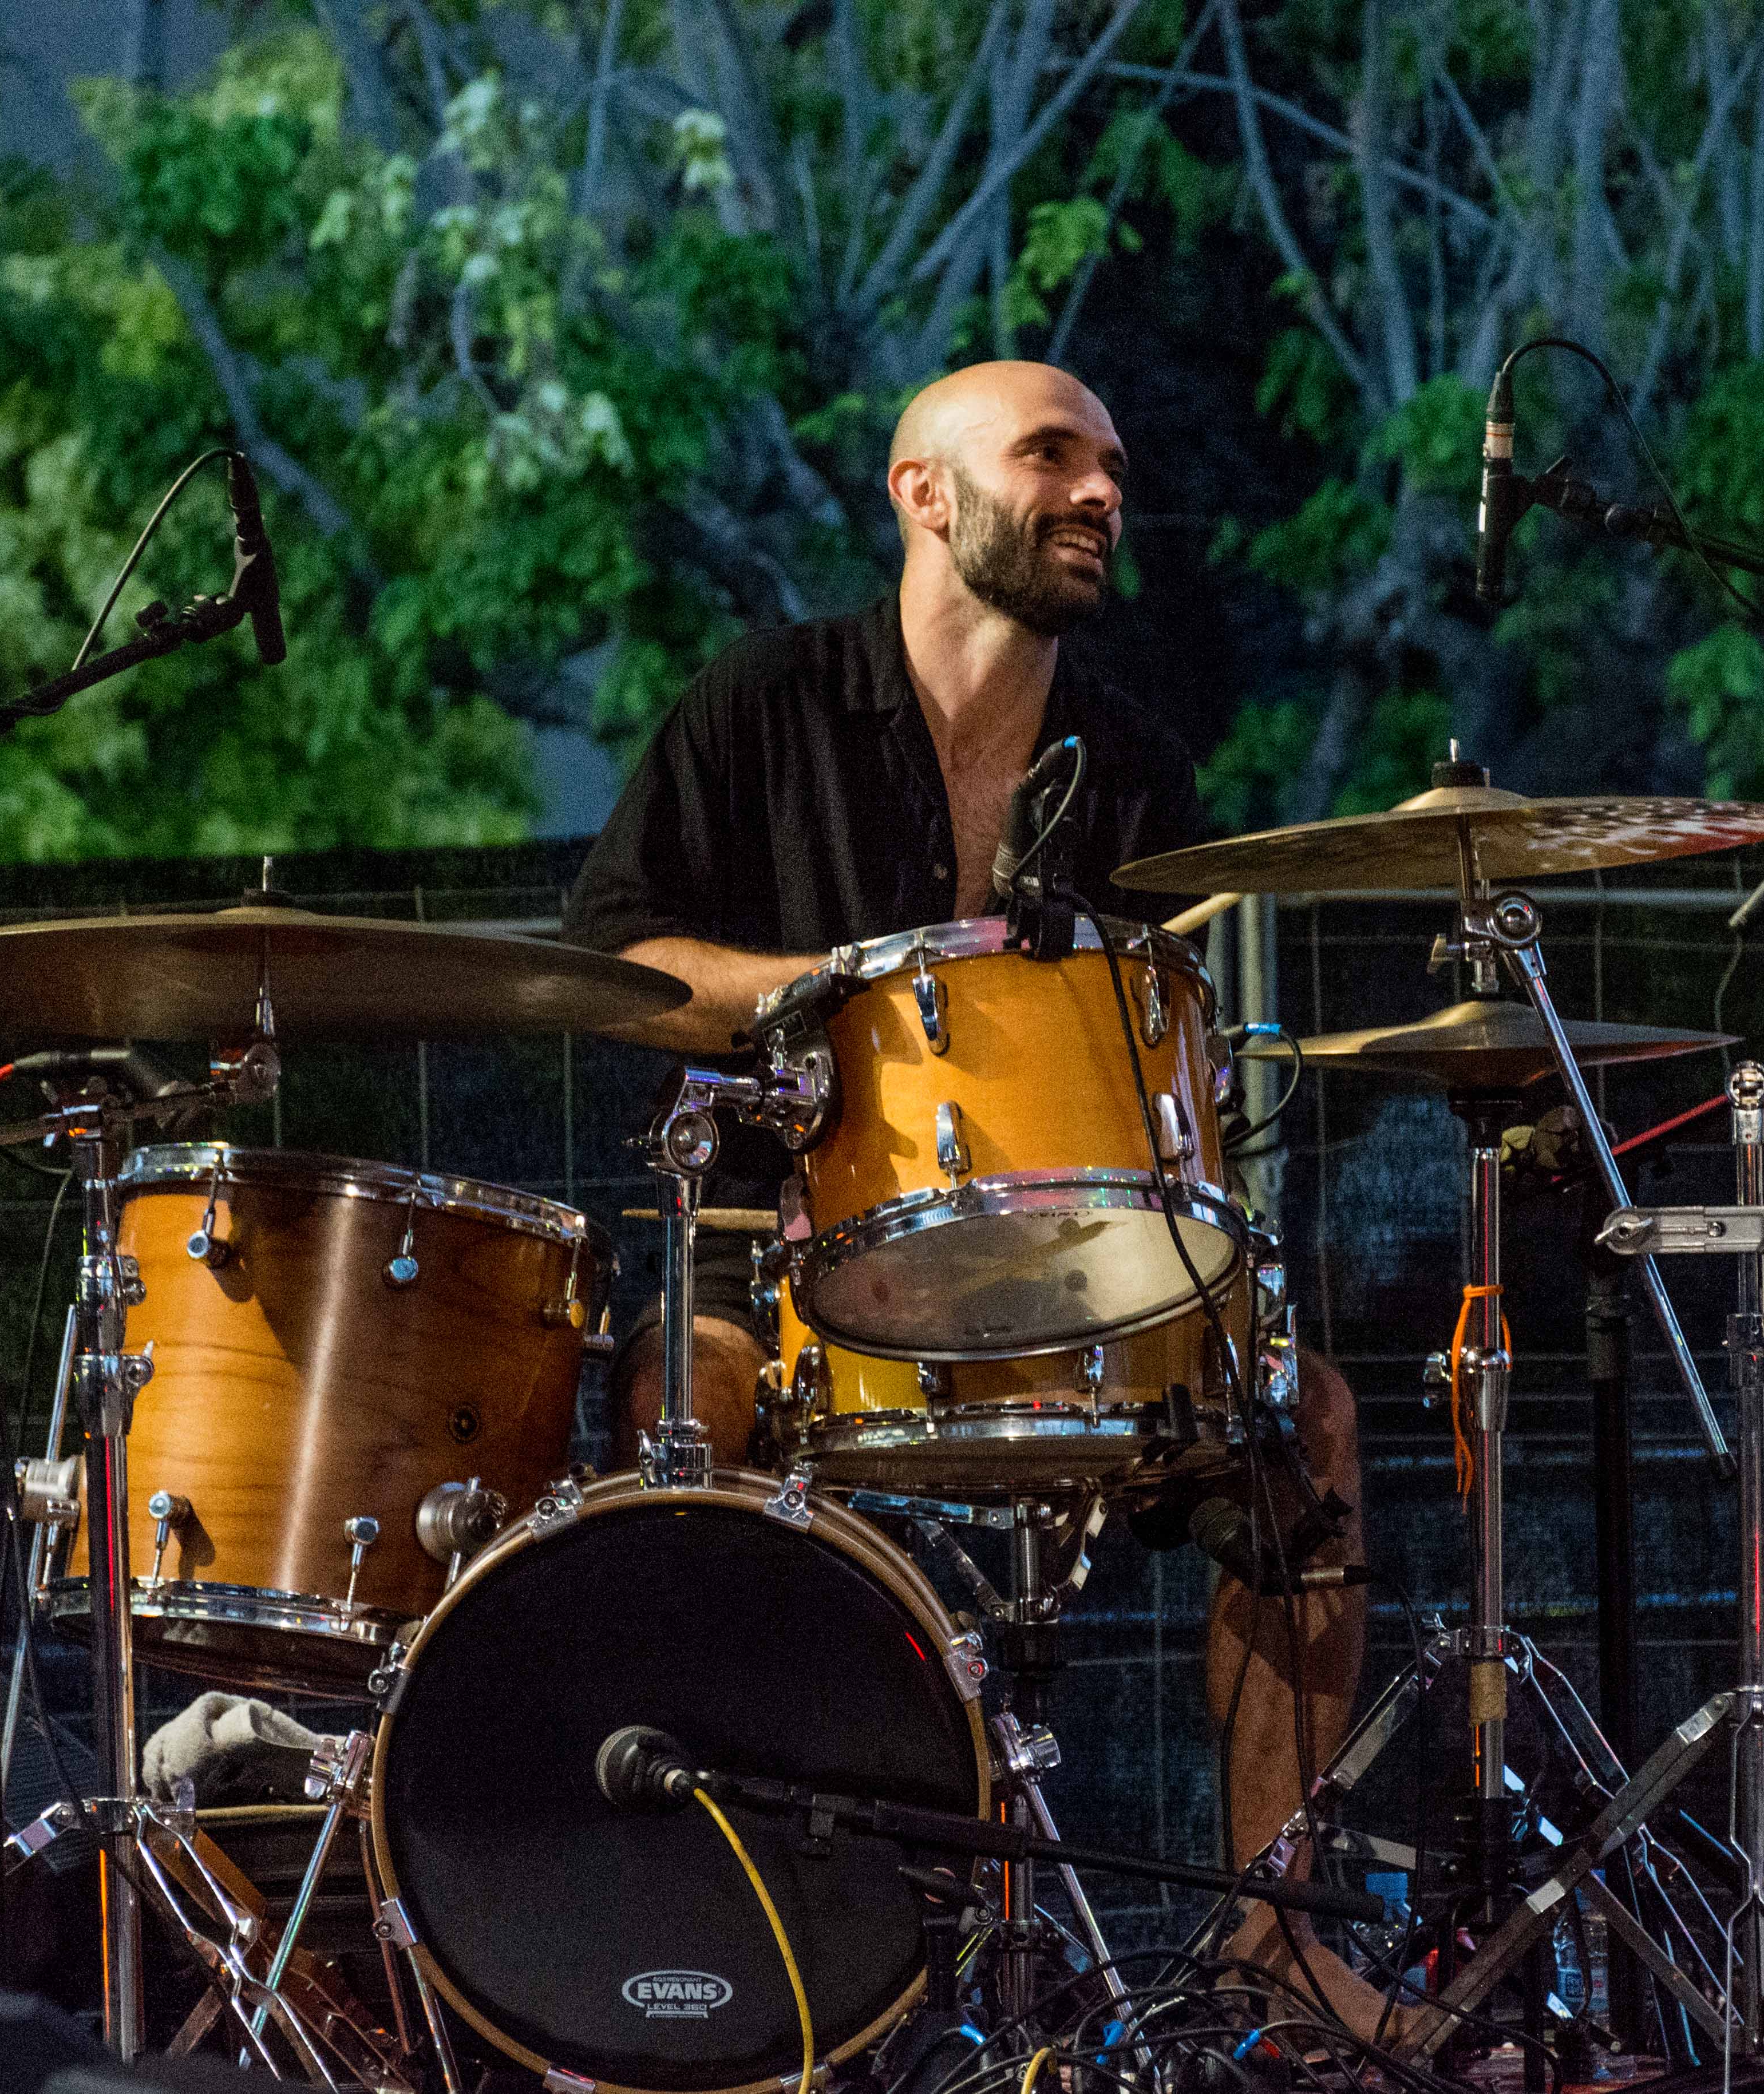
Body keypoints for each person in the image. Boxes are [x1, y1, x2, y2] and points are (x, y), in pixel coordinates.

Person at [561, 360, 1385, 2018]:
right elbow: (612, 960)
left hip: (1084, 1277)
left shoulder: (1131, 760)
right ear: (923, 494)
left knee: (1311, 1426)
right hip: (776, 1254)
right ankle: (699, 1949)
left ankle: (1278, 1948)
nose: (1098, 492)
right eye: (1050, 456)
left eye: (1112, 463)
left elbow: (1169, 1058)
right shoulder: (760, 706)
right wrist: (833, 986)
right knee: (681, 1408)